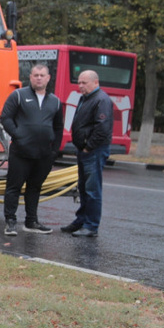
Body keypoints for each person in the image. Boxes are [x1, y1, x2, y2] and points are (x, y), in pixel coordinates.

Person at [1, 63, 64, 236]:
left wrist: (54, 151)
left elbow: (59, 127)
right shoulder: (18, 96)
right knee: (13, 187)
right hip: (21, 152)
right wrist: (18, 135)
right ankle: (10, 222)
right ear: (30, 77)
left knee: (35, 188)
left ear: (48, 78)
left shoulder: (55, 102)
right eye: (35, 75)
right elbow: (6, 118)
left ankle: (31, 222)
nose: (39, 78)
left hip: (43, 155)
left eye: (42, 75)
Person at [63, 69, 114, 238]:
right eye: (79, 82)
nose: (80, 86)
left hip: (94, 150)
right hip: (85, 150)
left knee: (92, 189)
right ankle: (81, 221)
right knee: (84, 188)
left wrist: (88, 147)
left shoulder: (101, 100)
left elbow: (102, 128)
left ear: (95, 82)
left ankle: (91, 226)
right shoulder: (85, 98)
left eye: (84, 83)